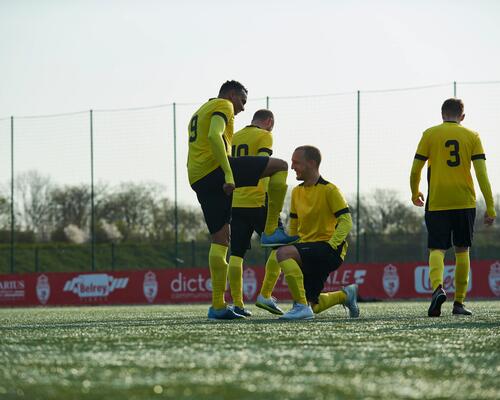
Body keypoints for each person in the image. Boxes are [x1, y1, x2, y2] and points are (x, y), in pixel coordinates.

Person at [187, 80, 298, 320]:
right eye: (242, 101)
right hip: (217, 172)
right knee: (281, 166)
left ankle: (218, 306)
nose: (242, 108)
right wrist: (228, 173)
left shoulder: (199, 111)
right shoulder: (223, 105)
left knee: (221, 240)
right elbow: (215, 136)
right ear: (231, 94)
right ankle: (270, 230)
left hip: (197, 177)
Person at [410, 98, 496, 317]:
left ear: (442, 114)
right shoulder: (472, 136)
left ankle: (438, 288)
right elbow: (482, 174)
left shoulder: (429, 134)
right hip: (464, 201)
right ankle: (459, 303)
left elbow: (415, 170)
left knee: (437, 249)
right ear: (462, 117)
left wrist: (414, 191)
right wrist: (490, 206)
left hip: (438, 200)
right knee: (462, 250)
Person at [274, 145, 359, 320]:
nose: (292, 167)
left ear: (311, 163)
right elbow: (294, 227)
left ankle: (300, 306)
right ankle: (346, 295)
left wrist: (332, 244)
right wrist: (292, 244)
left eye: (296, 162)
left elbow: (346, 221)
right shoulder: (297, 191)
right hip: (308, 250)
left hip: (329, 249)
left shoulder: (330, 190)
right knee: (314, 305)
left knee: (282, 253)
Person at [227, 109, 295, 317]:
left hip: (235, 201)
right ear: (269, 121)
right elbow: (263, 166)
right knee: (283, 246)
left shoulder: (234, 137)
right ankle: (265, 295)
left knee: (236, 254)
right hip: (258, 200)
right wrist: (268, 199)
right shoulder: (265, 135)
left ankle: (237, 304)